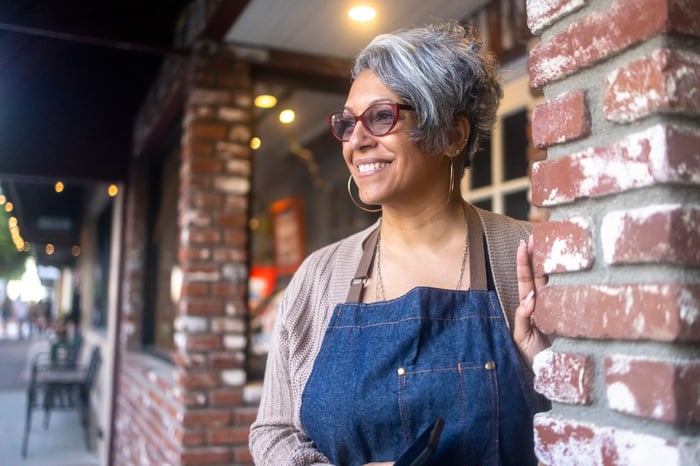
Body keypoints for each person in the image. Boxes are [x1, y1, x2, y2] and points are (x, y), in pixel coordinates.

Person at [249, 21, 550, 465]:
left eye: (382, 116)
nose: (356, 140)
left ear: (453, 135)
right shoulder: (318, 276)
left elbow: (586, 422)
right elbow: (273, 432)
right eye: (348, 123)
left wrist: (545, 371)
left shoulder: (527, 257)